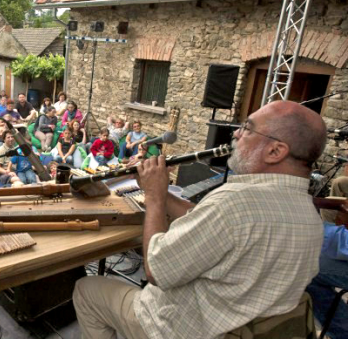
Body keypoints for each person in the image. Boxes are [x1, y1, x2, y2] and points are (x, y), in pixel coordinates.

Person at [73, 100, 327, 339]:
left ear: (275, 151)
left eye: (247, 129)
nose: (236, 134)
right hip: (245, 327)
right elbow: (210, 219)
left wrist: (154, 197)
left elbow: (156, 270)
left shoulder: (234, 202)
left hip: (183, 328)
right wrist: (159, 188)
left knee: (86, 290)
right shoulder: (310, 213)